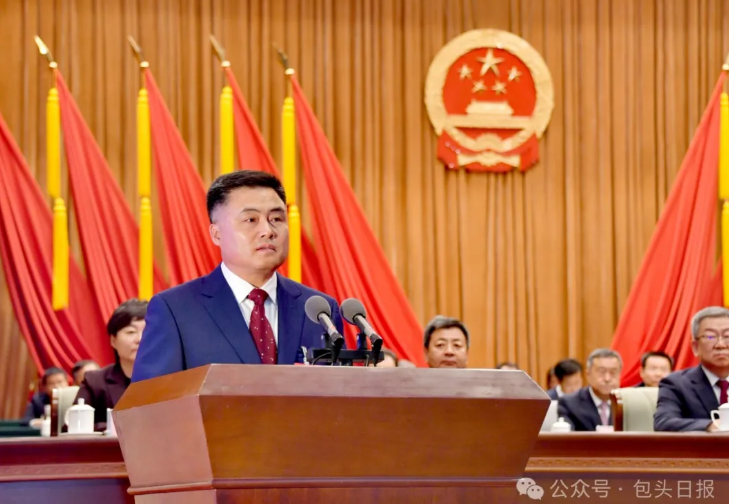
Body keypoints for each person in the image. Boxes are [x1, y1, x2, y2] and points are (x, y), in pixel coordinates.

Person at [132, 171, 343, 382]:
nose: (267, 231)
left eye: (276, 219)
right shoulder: (175, 310)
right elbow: (150, 398)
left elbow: (338, 390)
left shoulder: (319, 310)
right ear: (216, 234)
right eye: (251, 219)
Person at [75, 299, 147, 431]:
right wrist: (113, 428)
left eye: (148, 331)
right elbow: (75, 426)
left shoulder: (170, 379)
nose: (140, 339)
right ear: (113, 340)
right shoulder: (95, 382)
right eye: (131, 332)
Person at [655, 307, 729, 432]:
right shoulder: (676, 384)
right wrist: (712, 426)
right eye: (710, 337)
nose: (720, 345)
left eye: (727, 336)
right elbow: (663, 422)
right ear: (695, 347)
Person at [557, 349, 622, 431]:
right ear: (588, 374)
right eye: (602, 372)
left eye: (613, 372)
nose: (607, 378)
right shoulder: (569, 404)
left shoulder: (628, 404)